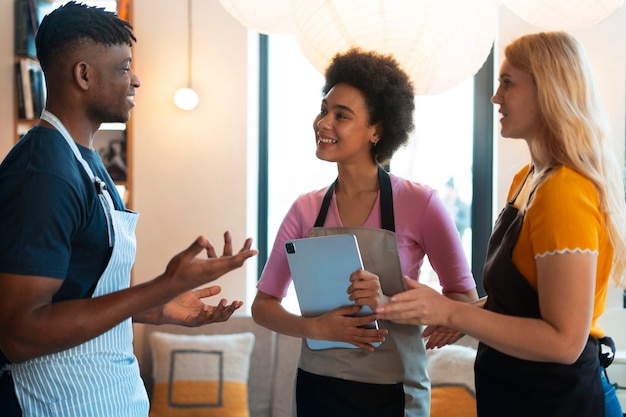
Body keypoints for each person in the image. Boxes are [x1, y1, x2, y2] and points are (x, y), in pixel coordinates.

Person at [0, 3, 257, 416]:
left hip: (106, 396)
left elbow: (82, 295)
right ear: (83, 75)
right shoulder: (43, 174)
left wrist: (159, 308)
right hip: (56, 403)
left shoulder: (85, 162)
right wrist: (162, 285)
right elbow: (19, 332)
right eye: (124, 68)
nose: (136, 79)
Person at [377, 31, 626, 417]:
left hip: (558, 402)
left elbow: (564, 341)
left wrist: (451, 312)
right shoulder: (529, 180)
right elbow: (525, 302)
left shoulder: (564, 192)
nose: (496, 97)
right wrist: (472, 313)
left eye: (507, 83)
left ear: (549, 91)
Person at [251, 48, 478, 417]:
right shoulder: (305, 209)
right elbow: (263, 307)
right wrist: (316, 328)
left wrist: (388, 301)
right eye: (324, 110)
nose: (323, 123)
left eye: (342, 116)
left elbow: (464, 303)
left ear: (377, 130)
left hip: (394, 391)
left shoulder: (421, 203)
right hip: (318, 386)